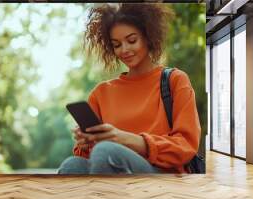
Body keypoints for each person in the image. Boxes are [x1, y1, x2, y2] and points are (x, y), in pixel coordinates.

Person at [58, 3, 201, 174]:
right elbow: (87, 159)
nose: (124, 50)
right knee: (71, 166)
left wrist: (125, 139)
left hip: (164, 175)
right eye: (117, 44)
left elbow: (186, 146)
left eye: (132, 40)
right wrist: (86, 141)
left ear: (148, 37)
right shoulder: (101, 93)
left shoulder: (174, 80)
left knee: (106, 152)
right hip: (110, 168)